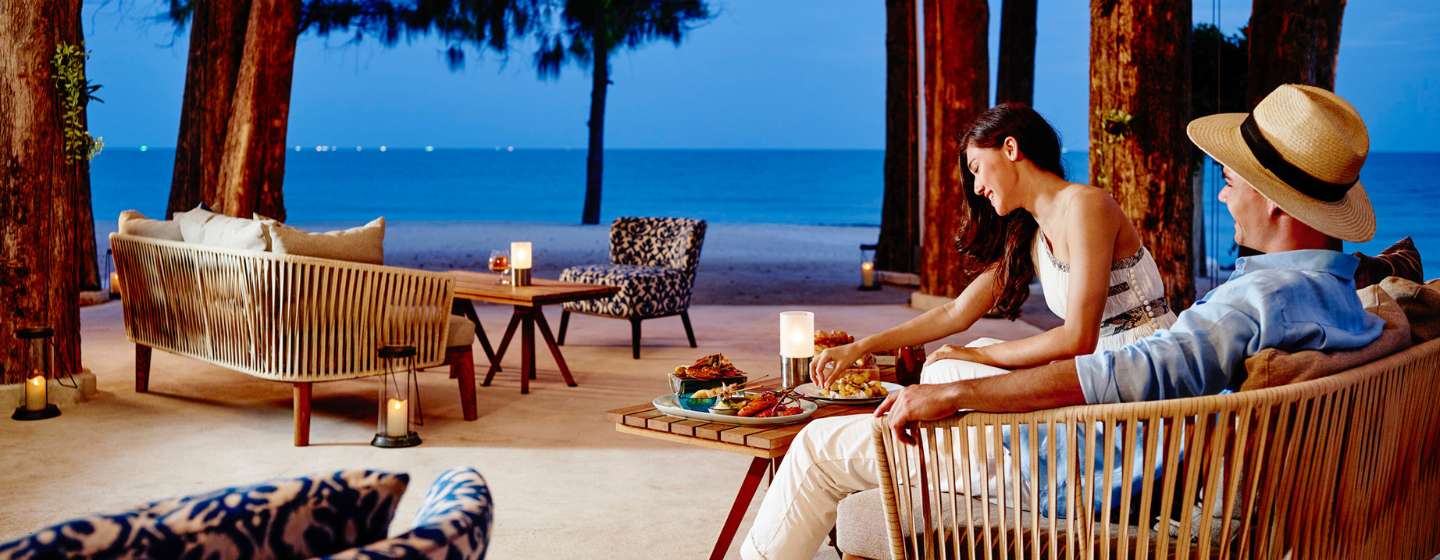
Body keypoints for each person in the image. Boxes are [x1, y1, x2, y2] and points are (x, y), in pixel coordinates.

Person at [740, 84, 1385, 560]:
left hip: (1103, 463)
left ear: (1273, 202)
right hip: (1143, 444)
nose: (1220, 194)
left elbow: (1108, 367)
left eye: (1229, 181)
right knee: (950, 363)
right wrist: (880, 349)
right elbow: (962, 311)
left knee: (818, 446)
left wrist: (960, 388)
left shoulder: (1247, 301)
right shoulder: (1334, 295)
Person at [814, 102, 1176, 395]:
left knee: (955, 367)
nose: (976, 187)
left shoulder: (1086, 206)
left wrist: (977, 354)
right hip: (1093, 370)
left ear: (1010, 148)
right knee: (947, 367)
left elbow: (1078, 337)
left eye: (976, 168)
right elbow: (956, 312)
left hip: (1142, 367)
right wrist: (861, 347)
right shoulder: (1033, 237)